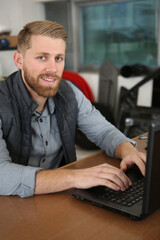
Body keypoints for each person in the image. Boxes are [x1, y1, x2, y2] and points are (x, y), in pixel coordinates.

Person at [0, 21, 146, 198]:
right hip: (12, 201)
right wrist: (75, 177)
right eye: (42, 57)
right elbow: (2, 174)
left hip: (58, 196)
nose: (53, 69)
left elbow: (103, 132)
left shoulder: (69, 93)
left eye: (58, 58)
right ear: (19, 61)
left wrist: (128, 151)